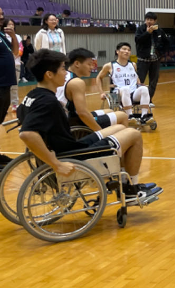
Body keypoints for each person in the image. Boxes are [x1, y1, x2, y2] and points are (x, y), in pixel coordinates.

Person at [18, 49, 159, 199]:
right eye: (62, 69)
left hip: (71, 147)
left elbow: (23, 121)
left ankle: (123, 181)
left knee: (120, 127)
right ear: (49, 74)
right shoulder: (48, 102)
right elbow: (26, 133)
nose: (66, 73)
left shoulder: (32, 95)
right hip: (75, 156)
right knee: (134, 134)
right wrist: (56, 164)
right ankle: (130, 191)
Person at [61, 48, 130, 130]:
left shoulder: (65, 75)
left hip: (68, 117)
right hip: (73, 121)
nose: (92, 67)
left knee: (109, 111)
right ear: (77, 63)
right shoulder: (76, 82)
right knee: (123, 116)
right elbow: (82, 113)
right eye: (89, 64)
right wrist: (100, 132)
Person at [97, 42, 155, 128]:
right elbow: (98, 78)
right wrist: (101, 92)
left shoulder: (133, 64)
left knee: (144, 88)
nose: (127, 51)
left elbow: (135, 77)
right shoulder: (110, 65)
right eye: (124, 49)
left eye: (129, 50)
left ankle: (144, 116)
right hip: (118, 94)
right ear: (117, 51)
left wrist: (139, 84)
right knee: (125, 89)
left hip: (133, 93)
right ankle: (130, 116)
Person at [134, 12, 169, 102]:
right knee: (139, 80)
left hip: (155, 60)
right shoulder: (140, 29)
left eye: (151, 20)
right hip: (143, 60)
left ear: (155, 21)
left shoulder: (159, 31)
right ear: (145, 20)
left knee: (153, 80)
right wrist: (147, 33)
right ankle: (136, 99)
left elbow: (166, 42)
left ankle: (149, 100)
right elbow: (138, 40)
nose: (149, 21)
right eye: (147, 19)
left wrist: (161, 53)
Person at [0, 18, 16, 117]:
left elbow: (15, 52)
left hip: (6, 82)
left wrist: (13, 37)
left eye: (2, 14)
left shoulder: (2, 34)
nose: (2, 17)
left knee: (2, 111)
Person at [4, 19, 21, 111]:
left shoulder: (18, 37)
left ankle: (15, 104)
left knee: (15, 86)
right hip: (5, 65)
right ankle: (4, 106)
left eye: (12, 24)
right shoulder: (2, 36)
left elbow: (20, 50)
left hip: (16, 63)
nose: (11, 26)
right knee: (5, 87)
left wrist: (14, 55)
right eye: (9, 24)